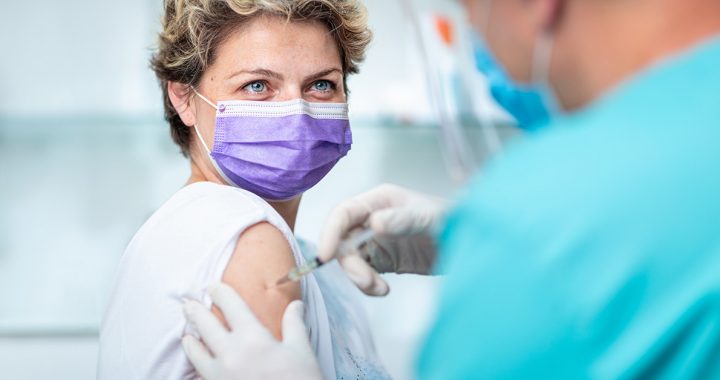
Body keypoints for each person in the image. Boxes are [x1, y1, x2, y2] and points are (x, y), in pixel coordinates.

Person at [182, 0, 720, 378]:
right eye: (257, 86)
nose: (481, 45)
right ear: (184, 97)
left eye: (471, 12)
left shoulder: (535, 232)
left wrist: (512, 239)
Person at [97, 1, 391, 379]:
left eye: (321, 84)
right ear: (184, 97)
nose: (297, 112)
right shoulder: (246, 236)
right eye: (257, 85)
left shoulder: (308, 257)